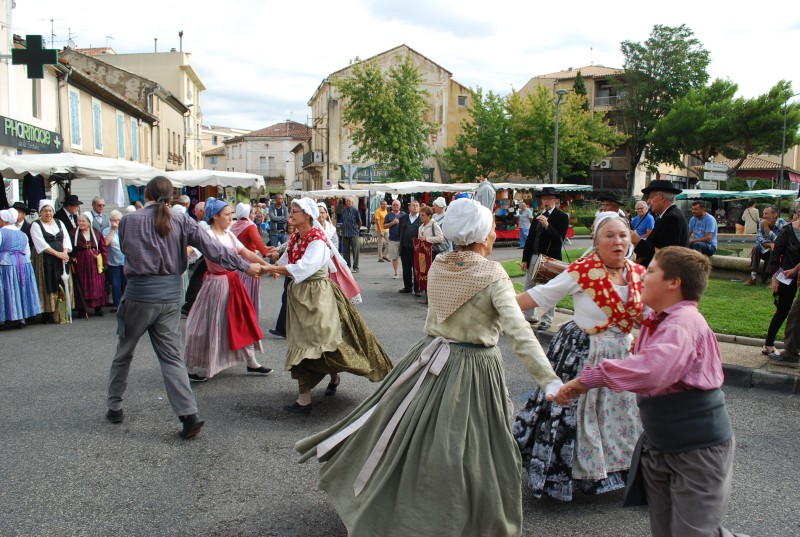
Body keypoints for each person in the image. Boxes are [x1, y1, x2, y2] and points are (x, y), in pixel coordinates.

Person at [295, 198, 562, 536]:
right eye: (492, 229)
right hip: (474, 366)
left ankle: (400, 502)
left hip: (431, 355)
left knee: (411, 434)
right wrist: (548, 380)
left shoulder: (440, 263)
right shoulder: (492, 273)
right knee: (474, 445)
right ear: (482, 236)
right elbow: (520, 332)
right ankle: (457, 516)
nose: (494, 234)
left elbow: (435, 317)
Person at [557, 247, 745, 537]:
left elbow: (652, 372)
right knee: (667, 528)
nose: (643, 275)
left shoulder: (682, 324)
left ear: (674, 282)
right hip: (664, 444)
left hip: (695, 449)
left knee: (694, 532)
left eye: (653, 270)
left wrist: (590, 378)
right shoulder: (658, 320)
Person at [106, 177, 265, 439]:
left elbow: (126, 250)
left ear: (145, 193)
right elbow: (213, 249)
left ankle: (115, 405)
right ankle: (189, 413)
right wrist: (245, 266)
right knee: (171, 357)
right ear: (172, 197)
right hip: (169, 297)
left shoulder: (129, 221)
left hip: (139, 294)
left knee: (124, 352)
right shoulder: (181, 220)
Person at [513, 215, 645, 501]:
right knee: (581, 416)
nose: (618, 241)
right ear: (596, 242)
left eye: (623, 235)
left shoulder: (638, 274)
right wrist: (498, 308)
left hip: (623, 358)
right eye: (610, 235)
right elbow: (539, 295)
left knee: (622, 418)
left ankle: (621, 471)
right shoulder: (582, 272)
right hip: (586, 354)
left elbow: (650, 314)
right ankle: (579, 474)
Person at [262, 198, 392, 414]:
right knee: (302, 343)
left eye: (294, 212)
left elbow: (304, 268)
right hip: (299, 297)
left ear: (307, 215)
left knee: (325, 342)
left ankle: (332, 377)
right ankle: (305, 397)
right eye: (291, 211)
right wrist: (272, 267)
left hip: (318, 295)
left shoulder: (318, 241)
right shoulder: (295, 237)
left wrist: (269, 269)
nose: (290, 215)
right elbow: (285, 260)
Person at [184, 198, 272, 382]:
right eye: (227, 214)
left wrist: (268, 267)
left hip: (233, 283)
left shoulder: (229, 234)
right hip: (216, 285)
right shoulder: (207, 235)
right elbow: (192, 249)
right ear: (215, 216)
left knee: (243, 321)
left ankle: (251, 361)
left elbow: (247, 253)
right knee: (208, 325)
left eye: (232, 214)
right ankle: (199, 365)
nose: (231, 218)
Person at [521, 186, 569, 330]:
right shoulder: (537, 217)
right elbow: (530, 239)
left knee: (550, 289)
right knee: (529, 286)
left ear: (555, 200)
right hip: (535, 256)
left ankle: (546, 320)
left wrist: (548, 226)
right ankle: (529, 315)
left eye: (548, 199)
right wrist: (525, 258)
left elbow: (560, 239)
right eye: (544, 199)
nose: (546, 202)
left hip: (550, 259)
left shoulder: (562, 217)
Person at [762, 203, 800, 357]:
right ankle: (769, 344)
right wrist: (776, 277)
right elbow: (776, 254)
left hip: (794, 272)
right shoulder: (788, 230)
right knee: (783, 310)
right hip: (787, 275)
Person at [30, 200, 73, 324]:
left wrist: (64, 253)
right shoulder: (36, 225)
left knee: (62, 282)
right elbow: (40, 243)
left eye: (50, 211)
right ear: (40, 212)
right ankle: (47, 312)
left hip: (61, 258)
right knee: (46, 283)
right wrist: (57, 253)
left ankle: (61, 312)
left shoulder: (59, 223)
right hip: (46, 258)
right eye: (45, 211)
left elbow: (66, 238)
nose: (48, 213)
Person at [630, 180, 689, 267]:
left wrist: (638, 241)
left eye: (651, 197)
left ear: (662, 197)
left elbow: (665, 255)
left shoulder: (672, 218)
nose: (648, 202)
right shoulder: (666, 216)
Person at [0, 208, 40, 329]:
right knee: (20, 289)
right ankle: (21, 318)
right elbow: (26, 251)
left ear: (3, 220)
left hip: (7, 264)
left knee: (8, 290)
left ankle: (3, 318)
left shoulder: (1, 232)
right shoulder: (22, 234)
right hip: (23, 264)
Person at [230, 202, 271, 317]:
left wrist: (266, 248)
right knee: (248, 294)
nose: (254, 215)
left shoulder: (234, 225)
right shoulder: (250, 226)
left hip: (236, 263)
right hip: (249, 263)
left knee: (238, 293)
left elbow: (244, 244)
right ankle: (248, 319)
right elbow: (258, 245)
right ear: (247, 214)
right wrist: (268, 253)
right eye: (253, 213)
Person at [71, 212, 108, 318]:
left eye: (83, 221)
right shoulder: (73, 234)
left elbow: (103, 248)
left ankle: (98, 307)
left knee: (97, 284)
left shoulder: (96, 234)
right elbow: (71, 248)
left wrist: (105, 262)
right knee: (83, 284)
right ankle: (82, 308)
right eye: (79, 221)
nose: (81, 223)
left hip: (95, 262)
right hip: (81, 263)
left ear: (89, 222)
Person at [743, 205, 785, 285]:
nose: (764, 216)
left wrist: (767, 228)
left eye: (766, 214)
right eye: (763, 214)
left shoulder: (782, 223)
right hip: (765, 248)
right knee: (756, 248)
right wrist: (770, 244)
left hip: (777, 252)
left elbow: (779, 242)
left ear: (775, 215)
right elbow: (759, 239)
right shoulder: (762, 222)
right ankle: (753, 277)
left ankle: (771, 278)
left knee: (774, 251)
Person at [182, 201, 209, 316]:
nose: (194, 212)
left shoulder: (203, 224)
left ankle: (191, 305)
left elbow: (200, 242)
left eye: (196, 210)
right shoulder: (204, 223)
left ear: (202, 211)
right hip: (203, 255)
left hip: (205, 257)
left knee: (198, 279)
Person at [415, 206, 445, 305]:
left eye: (423, 215)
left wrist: (427, 239)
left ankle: (432, 298)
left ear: (429, 216)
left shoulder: (434, 225)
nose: (421, 217)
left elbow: (440, 238)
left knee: (431, 275)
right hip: (423, 253)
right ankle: (426, 296)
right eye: (420, 215)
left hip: (432, 253)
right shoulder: (421, 226)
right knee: (424, 273)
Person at [102, 210, 126, 312]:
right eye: (114, 220)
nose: (116, 222)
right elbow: (105, 243)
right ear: (110, 221)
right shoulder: (106, 231)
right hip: (113, 261)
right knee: (116, 283)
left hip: (126, 261)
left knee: (126, 282)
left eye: (119, 220)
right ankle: (117, 304)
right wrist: (112, 230)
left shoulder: (126, 229)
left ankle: (127, 304)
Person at [397, 200, 422, 296]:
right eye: (413, 205)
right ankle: (407, 287)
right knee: (406, 268)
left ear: (419, 207)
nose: (415, 207)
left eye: (417, 205)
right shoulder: (403, 218)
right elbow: (400, 231)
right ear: (409, 207)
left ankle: (418, 288)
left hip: (417, 248)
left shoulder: (421, 218)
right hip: (405, 247)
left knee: (417, 268)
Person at [340, 196, 362, 273]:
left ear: (352, 203)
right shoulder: (343, 211)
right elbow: (342, 221)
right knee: (345, 252)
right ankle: (347, 266)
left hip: (354, 234)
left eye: (349, 201)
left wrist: (356, 229)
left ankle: (356, 267)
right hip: (345, 234)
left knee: (355, 251)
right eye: (347, 201)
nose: (348, 202)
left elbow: (359, 222)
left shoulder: (355, 211)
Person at [383, 199, 404, 279]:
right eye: (394, 205)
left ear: (400, 206)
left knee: (404, 257)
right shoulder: (388, 215)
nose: (395, 206)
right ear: (392, 206)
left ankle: (406, 273)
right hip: (393, 239)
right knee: (394, 257)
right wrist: (392, 223)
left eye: (397, 205)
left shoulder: (403, 214)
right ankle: (396, 272)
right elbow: (384, 226)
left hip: (402, 239)